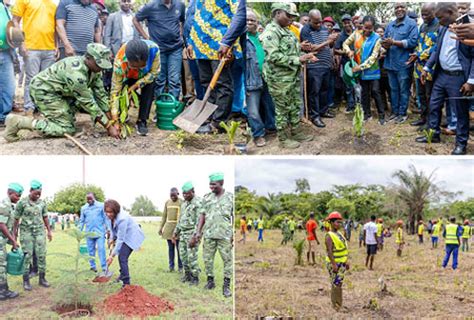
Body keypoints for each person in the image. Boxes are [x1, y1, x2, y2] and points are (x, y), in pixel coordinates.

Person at [4, 43, 119, 142]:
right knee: (66, 129)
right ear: (88, 58)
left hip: (60, 92)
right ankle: (19, 122)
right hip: (44, 91)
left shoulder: (95, 69)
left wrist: (112, 119)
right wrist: (108, 126)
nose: (101, 68)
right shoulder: (76, 74)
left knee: (73, 112)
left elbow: (100, 95)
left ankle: (61, 116)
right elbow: (88, 102)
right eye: (99, 64)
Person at [416, 2, 474, 155]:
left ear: (450, 12)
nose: (438, 21)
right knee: (434, 105)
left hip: (459, 77)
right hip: (441, 75)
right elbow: (436, 49)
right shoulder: (442, 27)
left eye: (440, 18)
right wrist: (427, 67)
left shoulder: (469, 26)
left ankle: (461, 144)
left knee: (460, 112)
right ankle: (433, 134)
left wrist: (471, 81)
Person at [260, 3, 316, 149]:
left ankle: (296, 132)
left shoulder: (288, 31)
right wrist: (299, 60)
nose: (291, 19)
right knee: (282, 109)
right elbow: (274, 56)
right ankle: (283, 138)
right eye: (288, 15)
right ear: (277, 13)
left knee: (294, 105)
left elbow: (292, 51)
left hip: (292, 77)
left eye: (293, 16)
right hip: (279, 80)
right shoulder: (271, 32)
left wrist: (306, 55)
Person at [188, 0, 241, 133]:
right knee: (206, 82)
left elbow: (238, 17)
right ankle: (209, 117)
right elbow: (197, 18)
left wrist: (229, 43)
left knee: (223, 85)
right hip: (200, 45)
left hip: (220, 46)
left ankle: (218, 123)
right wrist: (191, 42)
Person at [11, 0, 58, 116]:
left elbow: (55, 27)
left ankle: (42, 108)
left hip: (50, 48)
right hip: (31, 47)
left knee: (46, 81)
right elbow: (15, 21)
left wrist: (56, 46)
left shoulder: (53, 5)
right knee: (31, 79)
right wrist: (21, 43)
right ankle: (29, 108)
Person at [190, 172, 233, 298]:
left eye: (214, 184)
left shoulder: (230, 197)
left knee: (228, 260)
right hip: (208, 234)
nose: (211, 187)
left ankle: (226, 285)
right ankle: (210, 281)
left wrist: (233, 233)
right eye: (210, 184)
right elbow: (202, 215)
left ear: (222, 183)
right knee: (207, 259)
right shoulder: (207, 197)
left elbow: (233, 215)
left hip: (224, 235)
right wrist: (198, 231)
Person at [133, 0, 185, 101]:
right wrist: (146, 38)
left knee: (174, 80)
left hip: (175, 48)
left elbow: (183, 20)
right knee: (159, 80)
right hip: (159, 50)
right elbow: (135, 20)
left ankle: (172, 108)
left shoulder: (180, 5)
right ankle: (160, 108)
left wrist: (181, 35)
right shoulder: (150, 6)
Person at [109, 39, 160, 136]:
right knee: (122, 94)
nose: (137, 69)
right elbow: (115, 91)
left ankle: (142, 121)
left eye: (141, 66)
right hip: (127, 76)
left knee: (149, 90)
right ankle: (122, 117)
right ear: (128, 60)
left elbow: (154, 73)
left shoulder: (154, 50)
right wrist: (115, 119)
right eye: (134, 66)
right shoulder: (119, 62)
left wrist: (135, 86)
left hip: (147, 76)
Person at [301, 9, 338, 129]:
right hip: (314, 66)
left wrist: (332, 40)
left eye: (320, 22)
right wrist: (328, 41)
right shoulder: (305, 30)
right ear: (310, 20)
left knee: (324, 90)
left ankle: (323, 110)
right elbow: (312, 49)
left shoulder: (323, 28)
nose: (318, 25)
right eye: (315, 22)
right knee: (314, 92)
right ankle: (315, 116)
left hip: (326, 64)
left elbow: (330, 45)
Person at [382, 2, 418, 124]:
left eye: (401, 7)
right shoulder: (390, 25)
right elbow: (385, 40)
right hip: (390, 63)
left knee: (404, 90)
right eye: (397, 7)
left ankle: (402, 113)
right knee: (393, 89)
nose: (399, 9)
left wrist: (394, 42)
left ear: (406, 9)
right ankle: (395, 112)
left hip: (404, 64)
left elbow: (413, 42)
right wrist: (385, 43)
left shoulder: (411, 24)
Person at [344, 15, 385, 124]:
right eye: (365, 27)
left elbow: (373, 57)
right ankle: (367, 114)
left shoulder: (377, 38)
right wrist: (349, 51)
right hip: (360, 72)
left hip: (372, 70)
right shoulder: (356, 34)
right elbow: (345, 43)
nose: (367, 30)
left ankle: (381, 115)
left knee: (376, 91)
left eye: (370, 28)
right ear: (362, 26)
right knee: (364, 93)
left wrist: (359, 67)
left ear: (373, 27)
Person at [13, 180, 52, 291]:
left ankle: (42, 278)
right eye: (36, 193)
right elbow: (16, 218)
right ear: (30, 191)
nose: (38, 195)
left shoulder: (42, 203)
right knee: (27, 255)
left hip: (39, 231)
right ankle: (26, 280)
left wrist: (49, 231)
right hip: (26, 232)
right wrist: (14, 233)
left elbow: (45, 217)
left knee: (41, 254)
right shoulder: (22, 203)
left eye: (39, 193)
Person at [246, 8, 276, 147]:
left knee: (270, 105)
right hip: (251, 80)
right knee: (253, 110)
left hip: (266, 77)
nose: (249, 22)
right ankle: (258, 134)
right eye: (247, 20)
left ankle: (271, 127)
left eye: (252, 20)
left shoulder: (262, 37)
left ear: (257, 23)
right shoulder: (241, 40)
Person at [408, 3, 439, 130]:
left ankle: (431, 122)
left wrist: (419, 54)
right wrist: (416, 53)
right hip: (419, 67)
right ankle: (423, 118)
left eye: (427, 14)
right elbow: (419, 44)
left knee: (429, 95)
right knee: (420, 94)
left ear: (435, 11)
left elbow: (436, 47)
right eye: (422, 14)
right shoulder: (422, 26)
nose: (424, 16)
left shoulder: (439, 26)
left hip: (431, 67)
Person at [105, 199, 144, 287]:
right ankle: (122, 276)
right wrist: (111, 238)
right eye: (107, 212)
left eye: (110, 212)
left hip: (132, 235)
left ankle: (126, 283)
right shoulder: (108, 217)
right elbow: (111, 229)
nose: (108, 214)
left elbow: (120, 239)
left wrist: (112, 256)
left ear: (115, 211)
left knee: (122, 257)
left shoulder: (122, 218)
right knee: (121, 255)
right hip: (123, 235)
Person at [172, 182, 203, 285]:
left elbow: (200, 221)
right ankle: (187, 275)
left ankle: (195, 278)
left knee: (192, 257)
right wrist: (175, 232)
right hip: (183, 234)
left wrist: (195, 236)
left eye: (187, 193)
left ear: (193, 192)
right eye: (183, 194)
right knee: (183, 256)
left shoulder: (198, 202)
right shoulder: (184, 204)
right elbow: (181, 220)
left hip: (192, 234)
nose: (185, 195)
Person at [0, 183, 23, 300]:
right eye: (17, 196)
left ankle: (3, 289)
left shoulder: (10, 205)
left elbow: (11, 224)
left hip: (3, 240)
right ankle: (2, 291)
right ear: (10, 193)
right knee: (1, 265)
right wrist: (13, 240)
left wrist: (14, 238)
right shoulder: (4, 205)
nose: (18, 198)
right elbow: (1, 225)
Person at [79, 193, 110, 273]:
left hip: (99, 232)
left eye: (90, 199)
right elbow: (82, 221)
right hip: (89, 233)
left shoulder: (101, 206)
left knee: (101, 249)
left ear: (94, 198)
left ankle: (104, 267)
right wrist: (79, 231)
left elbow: (105, 218)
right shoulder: (84, 208)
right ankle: (93, 267)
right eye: (87, 199)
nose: (89, 201)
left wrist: (109, 229)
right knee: (90, 251)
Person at [324, 212, 349, 311]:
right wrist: (334, 264)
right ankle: (336, 306)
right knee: (336, 284)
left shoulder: (339, 234)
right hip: (335, 263)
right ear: (332, 223)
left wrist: (346, 261)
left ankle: (339, 303)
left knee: (339, 283)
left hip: (342, 262)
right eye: (337, 222)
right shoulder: (329, 235)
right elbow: (329, 251)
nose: (339, 224)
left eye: (340, 222)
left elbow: (344, 248)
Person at [335, 14, 355, 114]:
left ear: (351, 22)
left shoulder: (357, 33)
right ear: (342, 24)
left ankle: (360, 105)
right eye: (345, 22)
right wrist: (345, 52)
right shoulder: (341, 36)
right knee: (348, 86)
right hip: (346, 64)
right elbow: (335, 50)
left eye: (348, 22)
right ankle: (351, 105)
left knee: (359, 84)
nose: (347, 24)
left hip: (358, 63)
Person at [160, 187, 183, 272]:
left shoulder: (181, 202)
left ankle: (180, 267)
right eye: (171, 196)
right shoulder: (167, 202)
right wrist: (161, 227)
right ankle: (171, 267)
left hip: (178, 229)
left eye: (174, 196)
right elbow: (164, 216)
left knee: (179, 249)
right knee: (170, 249)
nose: (172, 197)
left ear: (178, 194)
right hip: (168, 229)